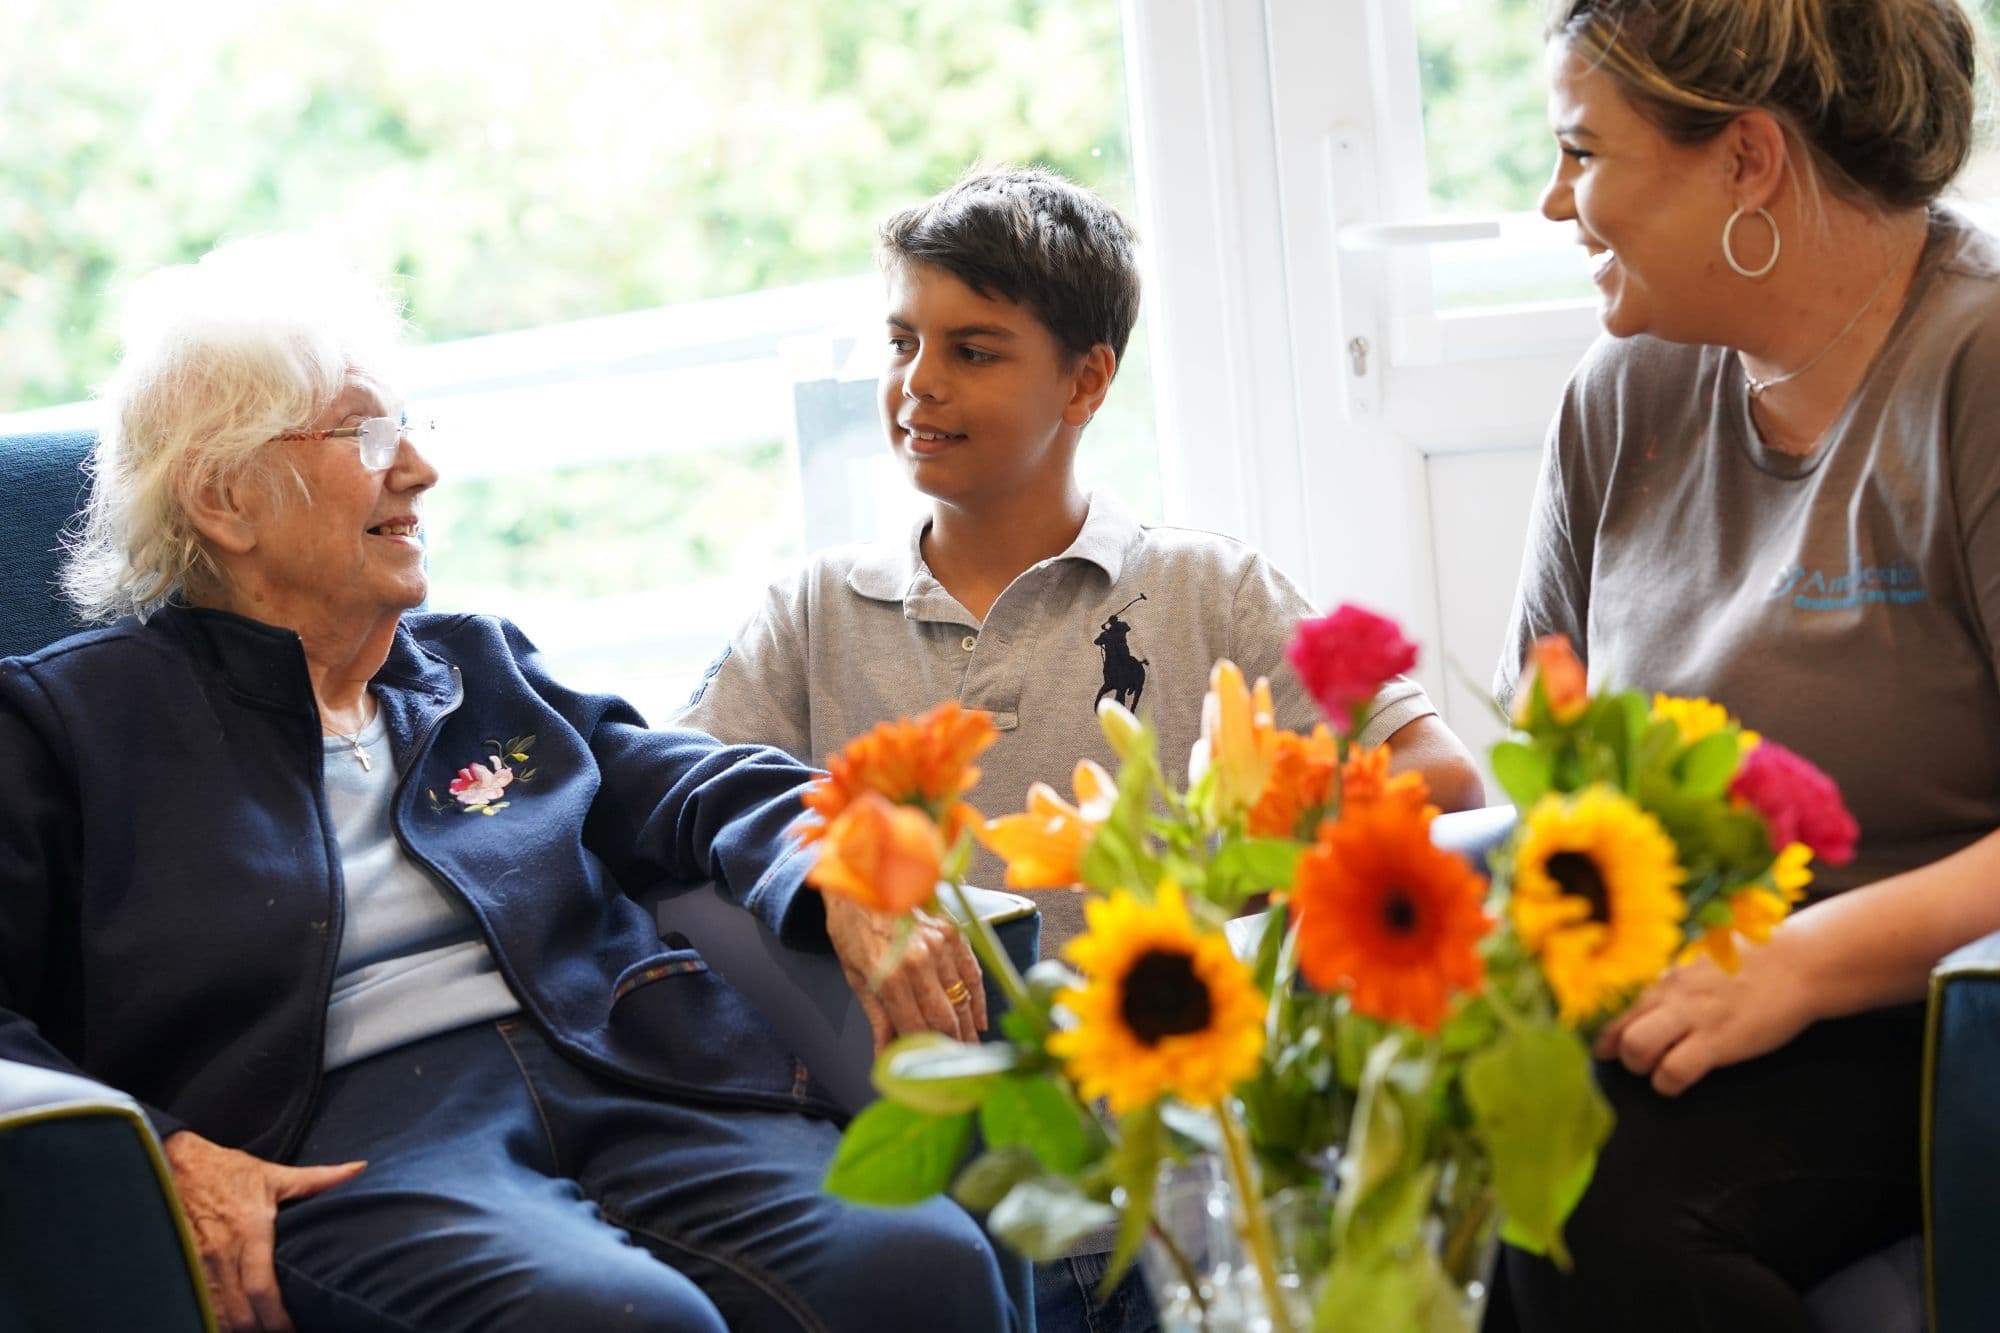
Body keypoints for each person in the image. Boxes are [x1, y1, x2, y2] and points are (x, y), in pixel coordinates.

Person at [0, 238, 1021, 1333]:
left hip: (625, 1066)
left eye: (410, 429)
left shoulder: (473, 664)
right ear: (224, 498)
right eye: (367, 434)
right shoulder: (69, 726)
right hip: (341, 1138)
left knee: (919, 1263)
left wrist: (839, 861)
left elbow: (689, 783)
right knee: (616, 1320)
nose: (419, 469)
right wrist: (169, 1152)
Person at [673, 164, 1485, 1333]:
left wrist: (1231, 860)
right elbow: (682, 796)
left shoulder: (1209, 586)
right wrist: (836, 858)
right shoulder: (813, 611)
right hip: (945, 1213)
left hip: (1191, 1199)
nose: (917, 385)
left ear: (1086, 379)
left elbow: (1438, 780)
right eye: (903, 340)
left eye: (973, 349)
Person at [1494, 1, 2000, 1327]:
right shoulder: (1624, 394)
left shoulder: (1978, 367)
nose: (1558, 204)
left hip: (1932, 1013)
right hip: (1684, 989)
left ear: (1748, 161)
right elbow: (1544, 756)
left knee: (1589, 1219)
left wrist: (1793, 967)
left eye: (1583, 153)